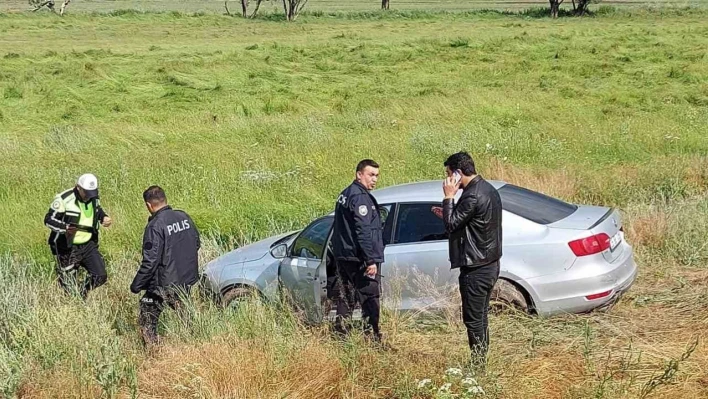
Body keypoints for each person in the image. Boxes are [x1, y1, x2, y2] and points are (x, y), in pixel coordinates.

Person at [441, 152, 502, 367]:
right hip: (489, 264)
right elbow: (471, 221)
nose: (447, 179)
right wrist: (448, 211)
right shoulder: (487, 189)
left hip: (476, 269)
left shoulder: (471, 195)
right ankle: (481, 360)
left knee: (474, 320)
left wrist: (449, 198)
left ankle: (478, 366)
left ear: (458, 173)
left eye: (449, 174)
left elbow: (450, 226)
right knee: (481, 317)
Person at [130, 186, 200, 346]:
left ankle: (153, 352)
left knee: (147, 318)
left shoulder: (155, 226)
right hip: (186, 279)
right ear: (164, 199)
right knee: (185, 314)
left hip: (163, 284)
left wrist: (137, 285)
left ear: (148, 205)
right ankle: (195, 344)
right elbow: (196, 243)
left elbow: (150, 261)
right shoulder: (183, 216)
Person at [331, 159, 385, 341]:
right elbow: (363, 231)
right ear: (359, 174)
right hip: (359, 258)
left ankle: (341, 335)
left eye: (377, 175)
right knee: (370, 297)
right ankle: (373, 339)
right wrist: (370, 260)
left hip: (346, 256)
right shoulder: (360, 197)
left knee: (346, 297)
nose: (375, 179)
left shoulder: (346, 194)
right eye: (371, 175)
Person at [44, 173, 112, 298]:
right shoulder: (63, 199)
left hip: (88, 244)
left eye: (92, 193)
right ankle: (74, 300)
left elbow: (98, 209)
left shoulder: (93, 197)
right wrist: (65, 228)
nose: (89, 196)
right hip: (67, 246)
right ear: (78, 187)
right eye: (86, 193)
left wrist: (103, 217)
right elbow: (48, 220)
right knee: (69, 284)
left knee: (100, 276)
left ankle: (82, 292)